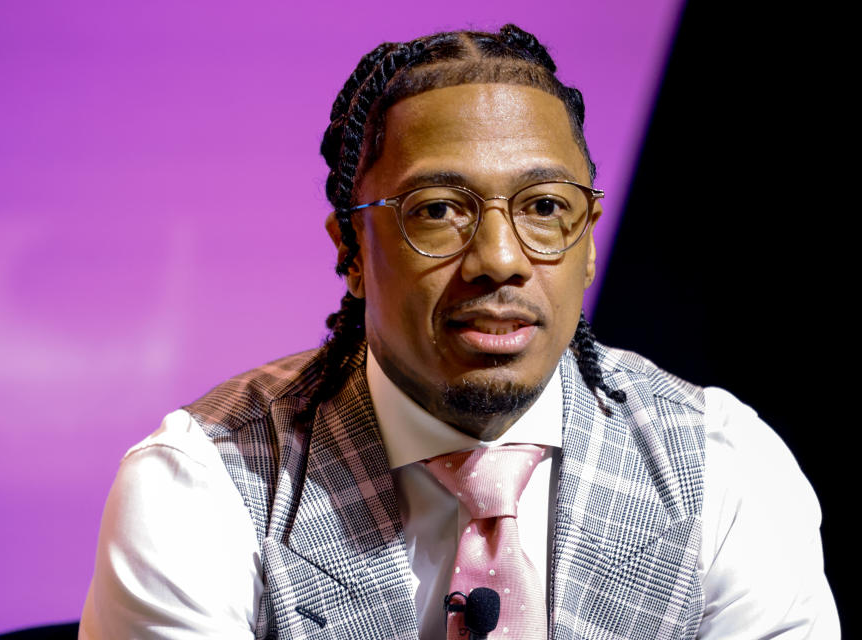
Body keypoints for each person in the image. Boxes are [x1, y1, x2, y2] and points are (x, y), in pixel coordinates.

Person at [79, 24, 839, 639]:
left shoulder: (725, 471)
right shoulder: (205, 484)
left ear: (590, 241)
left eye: (545, 208)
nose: (500, 260)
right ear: (349, 249)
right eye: (438, 210)